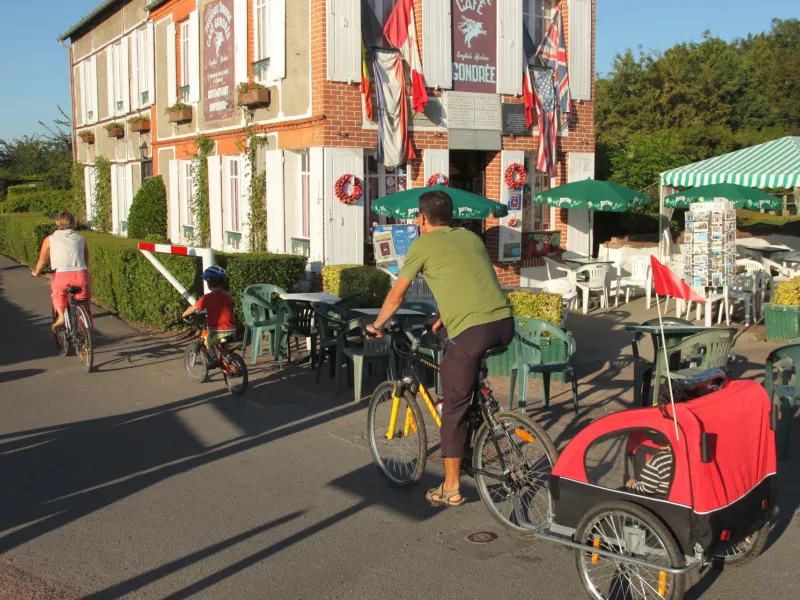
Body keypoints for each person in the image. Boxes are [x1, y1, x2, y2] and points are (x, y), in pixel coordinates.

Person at [367, 190, 514, 507]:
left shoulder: (422, 244)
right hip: (504, 324)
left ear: (421, 218)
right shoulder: (471, 238)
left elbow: (397, 296)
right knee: (465, 381)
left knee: (453, 410)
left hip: (473, 331)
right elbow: (472, 281)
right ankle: (481, 422)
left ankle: (450, 488)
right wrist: (444, 316)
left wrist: (376, 326)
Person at [31, 211, 92, 331]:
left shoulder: (50, 239)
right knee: (84, 303)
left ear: (57, 222)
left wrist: (36, 273)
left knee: (58, 294)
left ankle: (61, 316)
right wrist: (85, 272)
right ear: (73, 222)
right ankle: (85, 332)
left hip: (62, 276)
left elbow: (42, 261)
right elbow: (86, 260)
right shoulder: (81, 239)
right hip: (81, 275)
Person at [182, 266, 236, 351]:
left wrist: (184, 314)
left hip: (217, 332)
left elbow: (194, 308)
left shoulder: (206, 298)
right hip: (232, 329)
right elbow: (232, 306)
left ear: (209, 283)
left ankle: (212, 359)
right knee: (224, 349)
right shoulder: (228, 295)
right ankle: (226, 357)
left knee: (208, 343)